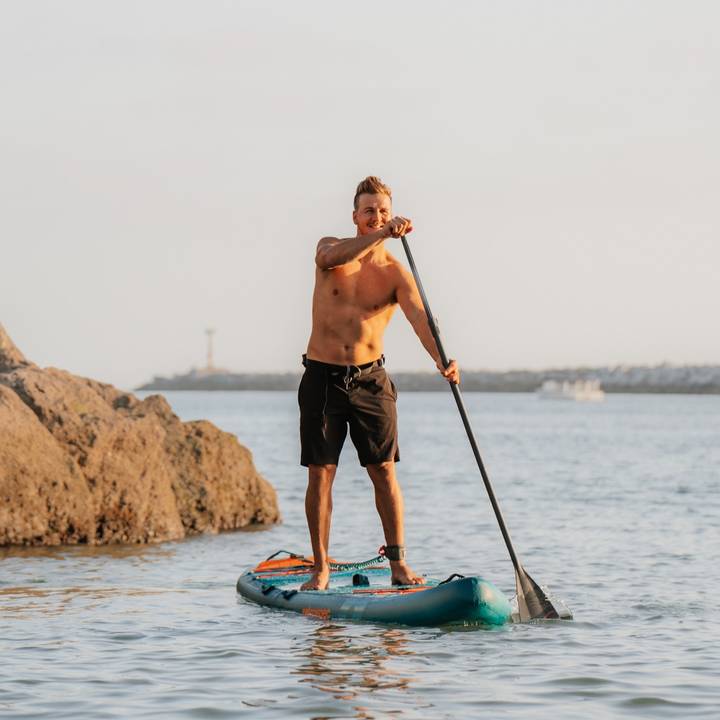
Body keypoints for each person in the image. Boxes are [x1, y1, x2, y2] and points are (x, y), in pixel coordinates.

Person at [299, 176, 460, 590]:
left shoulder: (394, 273)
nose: (377, 217)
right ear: (355, 216)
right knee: (321, 473)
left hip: (371, 381)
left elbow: (421, 319)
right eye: (369, 211)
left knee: (384, 471)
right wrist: (383, 234)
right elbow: (329, 258)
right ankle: (320, 569)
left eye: (384, 211)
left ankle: (399, 564)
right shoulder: (330, 248)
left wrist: (443, 360)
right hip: (322, 377)